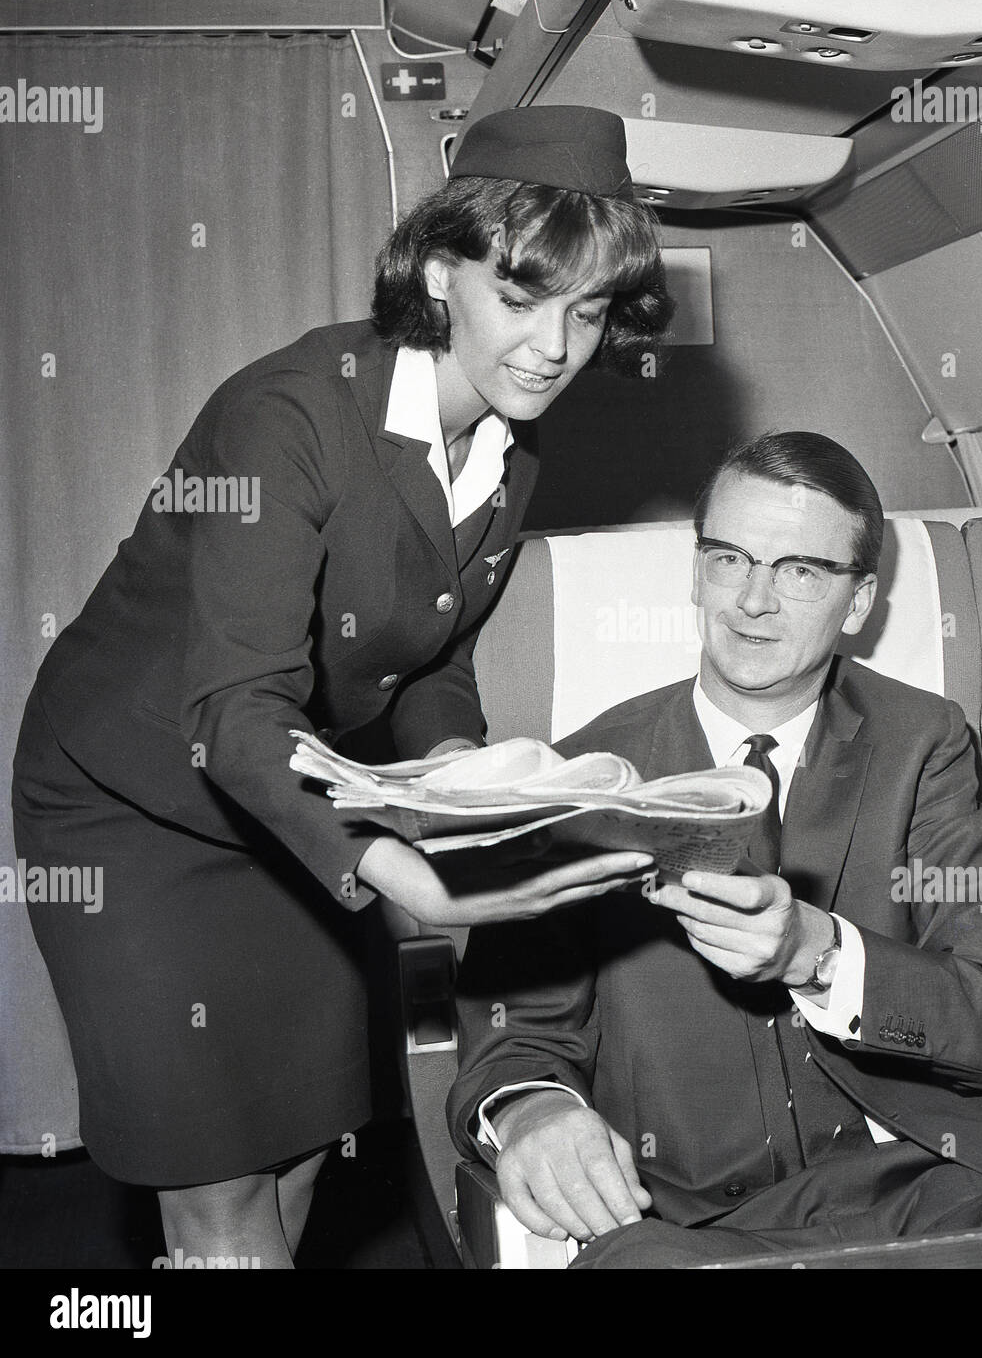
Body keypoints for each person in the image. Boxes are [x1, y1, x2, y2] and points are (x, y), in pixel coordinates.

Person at [11, 105, 672, 1266]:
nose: (555, 349)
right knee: (218, 1199)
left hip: (298, 800)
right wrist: (403, 873)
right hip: (138, 800)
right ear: (435, 268)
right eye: (520, 300)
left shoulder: (510, 462)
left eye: (587, 311)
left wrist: (467, 776)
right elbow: (229, 707)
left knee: (309, 1144)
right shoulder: (291, 418)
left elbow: (429, 662)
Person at [449, 431, 982, 1267]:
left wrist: (820, 952)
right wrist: (531, 1112)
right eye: (730, 559)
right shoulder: (589, 780)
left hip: (940, 1181)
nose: (752, 600)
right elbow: (513, 1039)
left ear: (860, 601)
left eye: (799, 570)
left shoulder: (924, 743)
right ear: (697, 573)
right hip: (693, 1228)